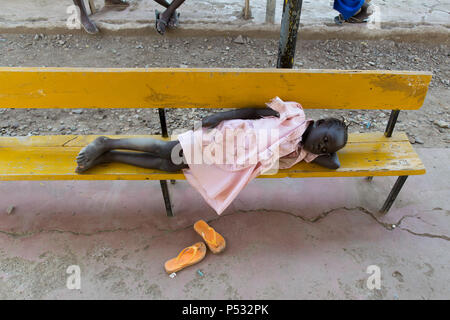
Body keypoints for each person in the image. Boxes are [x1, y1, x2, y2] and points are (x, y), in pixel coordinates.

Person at [75, 97, 348, 215]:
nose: (322, 148)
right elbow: (254, 112)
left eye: (326, 147)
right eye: (324, 139)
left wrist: (326, 147)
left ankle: (110, 156)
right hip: (225, 137)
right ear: (319, 121)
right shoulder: (294, 116)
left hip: (226, 163)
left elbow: (333, 163)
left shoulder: (303, 152)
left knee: (170, 167)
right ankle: (107, 142)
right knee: (167, 151)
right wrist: (219, 117)